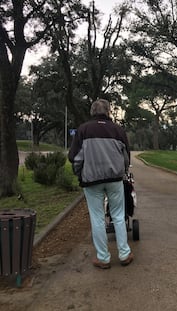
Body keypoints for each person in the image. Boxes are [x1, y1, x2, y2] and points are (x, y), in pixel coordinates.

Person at [68, 99, 134, 268]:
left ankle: (103, 258)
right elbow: (126, 157)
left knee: (97, 218)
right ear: (108, 112)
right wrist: (124, 172)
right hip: (115, 180)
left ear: (92, 112)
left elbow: (75, 158)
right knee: (119, 216)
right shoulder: (118, 130)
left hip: (91, 181)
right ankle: (124, 254)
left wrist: (80, 174)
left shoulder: (83, 130)